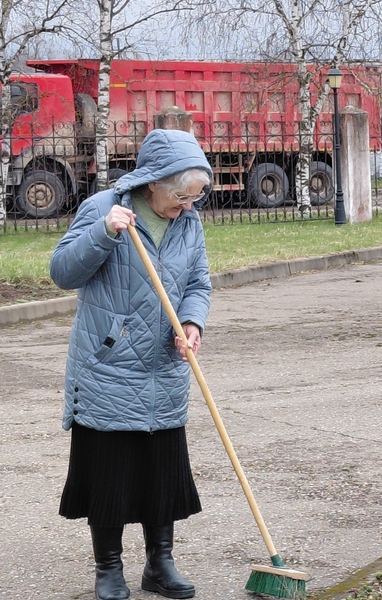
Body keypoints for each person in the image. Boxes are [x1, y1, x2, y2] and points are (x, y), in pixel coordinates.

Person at [50, 128, 214, 600]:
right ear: (153, 183)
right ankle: (109, 569)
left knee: (161, 472)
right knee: (110, 476)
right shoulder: (104, 209)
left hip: (165, 366)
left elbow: (199, 283)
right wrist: (103, 235)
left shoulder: (189, 222)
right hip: (108, 365)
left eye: (194, 198)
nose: (187, 206)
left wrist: (192, 323)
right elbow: (63, 272)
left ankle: (159, 566)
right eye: (182, 197)